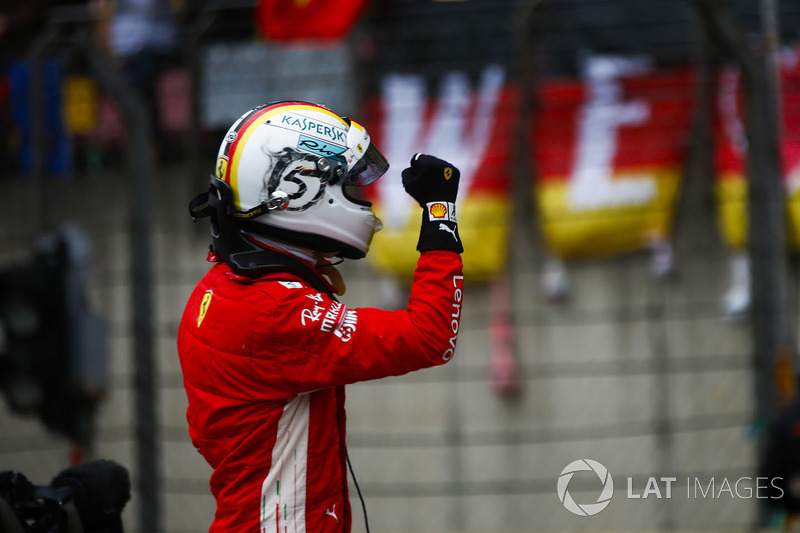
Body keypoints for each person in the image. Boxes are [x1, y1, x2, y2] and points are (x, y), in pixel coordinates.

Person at [178, 100, 464, 532]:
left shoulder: (217, 289)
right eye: (348, 185)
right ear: (296, 186)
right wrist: (440, 213)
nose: (359, 199)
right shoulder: (275, 312)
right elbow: (430, 335)